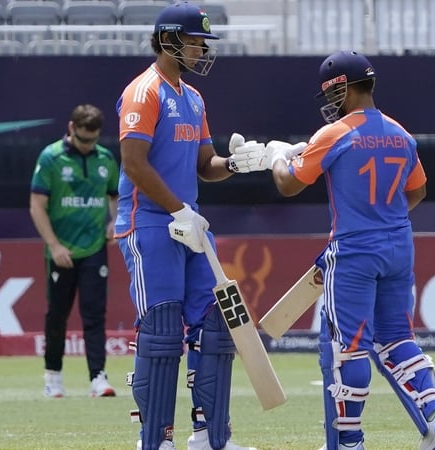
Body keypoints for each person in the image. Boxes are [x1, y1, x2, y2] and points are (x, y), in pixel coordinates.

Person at [262, 50, 435, 450]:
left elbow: (288, 185)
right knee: (398, 339)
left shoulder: (334, 134)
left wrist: (278, 157)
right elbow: (417, 190)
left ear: (344, 89)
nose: (330, 104)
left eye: (331, 95)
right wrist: (383, 215)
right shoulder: (401, 134)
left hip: (352, 250)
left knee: (347, 348)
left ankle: (348, 441)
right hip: (399, 245)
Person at [114, 2, 267, 450]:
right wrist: (179, 210)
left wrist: (235, 165)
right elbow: (134, 164)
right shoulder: (144, 91)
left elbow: (205, 165)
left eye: (204, 42)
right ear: (168, 40)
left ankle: (210, 438)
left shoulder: (194, 98)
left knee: (217, 323)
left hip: (191, 225)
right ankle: (156, 440)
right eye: (195, 40)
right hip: (149, 225)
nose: (202, 49)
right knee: (162, 332)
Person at [29, 104, 119, 399]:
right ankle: (52, 376)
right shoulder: (51, 157)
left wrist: (115, 222)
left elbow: (115, 196)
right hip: (61, 251)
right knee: (57, 315)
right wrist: (54, 245)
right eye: (82, 139)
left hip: (94, 248)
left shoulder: (105, 159)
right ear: (71, 128)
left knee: (94, 314)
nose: (87, 146)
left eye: (92, 140)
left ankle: (98, 377)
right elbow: (37, 206)